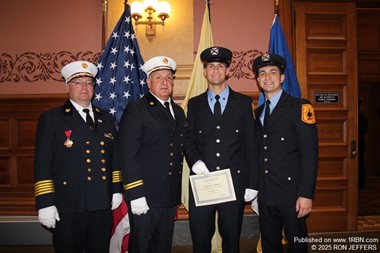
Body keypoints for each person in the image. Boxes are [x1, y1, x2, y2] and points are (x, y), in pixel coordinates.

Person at [34, 60, 123, 253]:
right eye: (78, 83)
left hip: (101, 203)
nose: (84, 87)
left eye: (89, 83)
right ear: (68, 86)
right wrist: (45, 203)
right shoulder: (52, 118)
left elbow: (114, 157)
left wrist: (116, 189)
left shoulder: (105, 118)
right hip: (68, 206)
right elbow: (43, 163)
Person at [185, 46, 259, 253]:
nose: (215, 70)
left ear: (227, 71)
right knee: (200, 239)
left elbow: (251, 146)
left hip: (233, 184)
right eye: (211, 66)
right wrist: (195, 161)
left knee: (231, 241)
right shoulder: (195, 104)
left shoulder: (243, 103)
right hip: (203, 182)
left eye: (220, 66)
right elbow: (188, 138)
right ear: (204, 71)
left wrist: (252, 183)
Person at [118, 56, 187, 253]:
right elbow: (127, 153)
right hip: (145, 196)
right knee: (142, 246)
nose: (165, 82)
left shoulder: (178, 111)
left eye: (168, 77)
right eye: (158, 78)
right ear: (149, 83)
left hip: (169, 195)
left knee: (162, 246)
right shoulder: (137, 109)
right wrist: (136, 193)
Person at [252, 53, 319, 253]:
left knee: (297, 244)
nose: (267, 77)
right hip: (265, 193)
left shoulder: (300, 107)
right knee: (269, 245)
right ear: (257, 80)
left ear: (282, 77)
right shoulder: (258, 111)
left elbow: (310, 154)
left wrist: (306, 194)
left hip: (292, 194)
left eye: (273, 72)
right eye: (262, 73)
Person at [358, 100, 368, 189]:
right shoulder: (363, 118)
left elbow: (364, 130)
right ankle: (361, 184)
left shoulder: (362, 118)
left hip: (359, 143)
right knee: (360, 163)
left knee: (360, 163)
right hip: (360, 143)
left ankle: (360, 184)